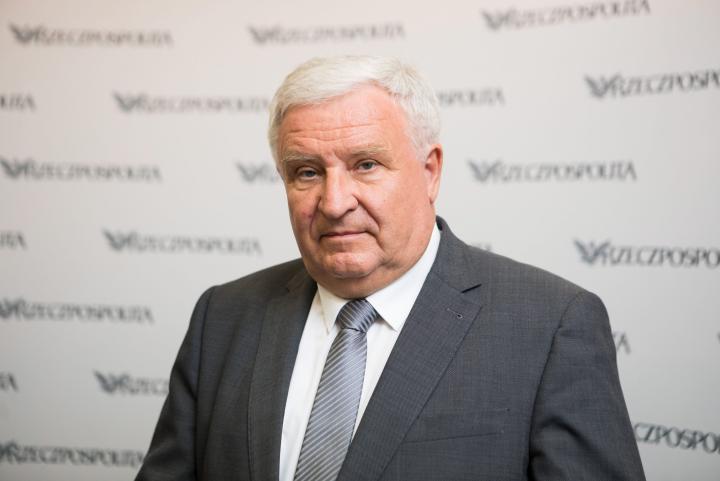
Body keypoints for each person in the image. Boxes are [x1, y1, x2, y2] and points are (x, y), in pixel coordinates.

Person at [136, 56, 645, 481]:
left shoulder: (550, 325)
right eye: (307, 172)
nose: (335, 202)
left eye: (366, 165)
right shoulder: (223, 316)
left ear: (430, 172)